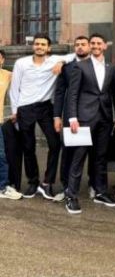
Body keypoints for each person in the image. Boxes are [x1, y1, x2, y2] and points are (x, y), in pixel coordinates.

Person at [9, 33, 71, 199]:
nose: (39, 47)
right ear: (33, 46)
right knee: (28, 147)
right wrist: (15, 110)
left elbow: (73, 56)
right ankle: (33, 182)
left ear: (48, 48)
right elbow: (14, 88)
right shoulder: (21, 63)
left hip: (45, 107)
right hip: (24, 107)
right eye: (37, 44)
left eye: (43, 44)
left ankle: (47, 183)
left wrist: (61, 62)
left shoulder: (54, 60)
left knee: (55, 144)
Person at [66, 33, 115, 214]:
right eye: (93, 43)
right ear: (89, 46)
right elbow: (73, 93)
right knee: (79, 157)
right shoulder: (80, 66)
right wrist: (72, 118)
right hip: (83, 119)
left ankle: (101, 192)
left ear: (105, 46)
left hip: (105, 118)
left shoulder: (111, 68)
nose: (96, 46)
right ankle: (71, 196)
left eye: (99, 43)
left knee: (100, 157)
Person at [53, 36, 94, 202]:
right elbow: (59, 92)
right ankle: (66, 187)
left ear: (89, 47)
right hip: (71, 116)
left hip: (92, 116)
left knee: (93, 153)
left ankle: (93, 185)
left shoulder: (96, 66)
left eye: (83, 44)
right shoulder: (67, 67)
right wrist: (57, 116)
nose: (80, 47)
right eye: (77, 45)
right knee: (68, 152)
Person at [0, 50, 22, 200]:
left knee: (1, 155)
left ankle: (2, 186)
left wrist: (17, 110)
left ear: (2, 60)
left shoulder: (7, 75)